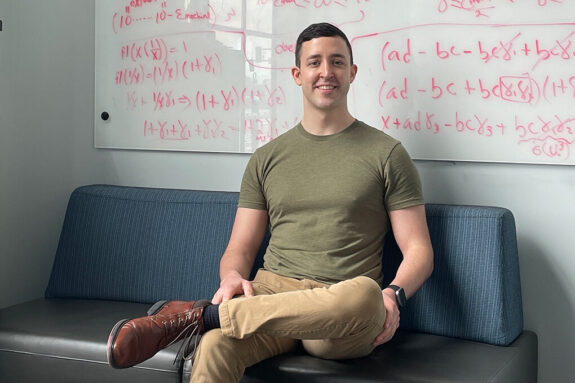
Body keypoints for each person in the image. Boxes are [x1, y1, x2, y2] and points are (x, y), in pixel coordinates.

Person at [106, 22, 434, 383]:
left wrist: (393, 296)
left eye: (337, 62)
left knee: (367, 296)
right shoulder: (266, 158)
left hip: (338, 312)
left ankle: (204, 317)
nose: (326, 72)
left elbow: (418, 249)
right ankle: (215, 325)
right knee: (214, 348)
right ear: (297, 74)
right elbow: (240, 249)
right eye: (314, 63)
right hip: (270, 292)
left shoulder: (387, 154)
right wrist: (231, 277)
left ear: (352, 72)